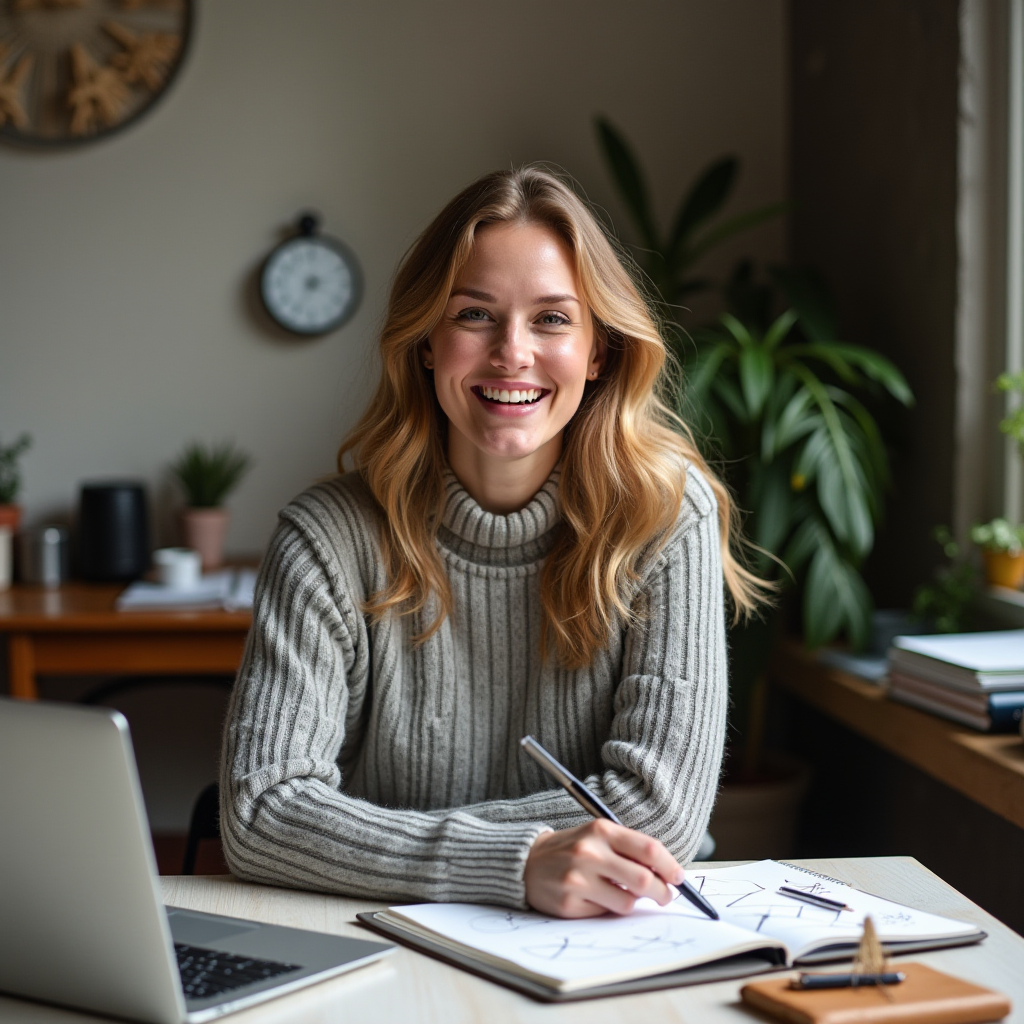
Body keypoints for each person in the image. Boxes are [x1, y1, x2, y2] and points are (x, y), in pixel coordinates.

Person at [220, 167, 765, 918]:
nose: (513, 353)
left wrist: (368, 838)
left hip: (615, 934)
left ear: (599, 352)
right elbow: (260, 815)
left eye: (551, 319)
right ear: (425, 343)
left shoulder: (667, 518)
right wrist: (513, 862)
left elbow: (657, 814)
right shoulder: (327, 539)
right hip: (394, 929)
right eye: (475, 315)